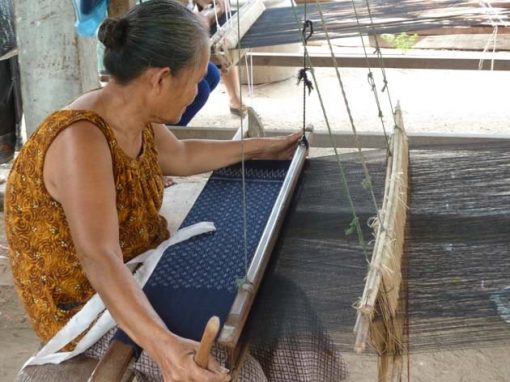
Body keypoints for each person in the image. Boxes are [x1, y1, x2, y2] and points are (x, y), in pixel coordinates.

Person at [3, 1, 300, 381]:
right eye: (194, 81)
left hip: (138, 267)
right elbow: (100, 259)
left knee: (275, 302)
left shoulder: (131, 113)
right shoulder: (82, 140)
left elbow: (181, 154)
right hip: (84, 309)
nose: (196, 92)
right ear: (160, 79)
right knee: (233, 369)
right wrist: (166, 350)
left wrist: (262, 148)